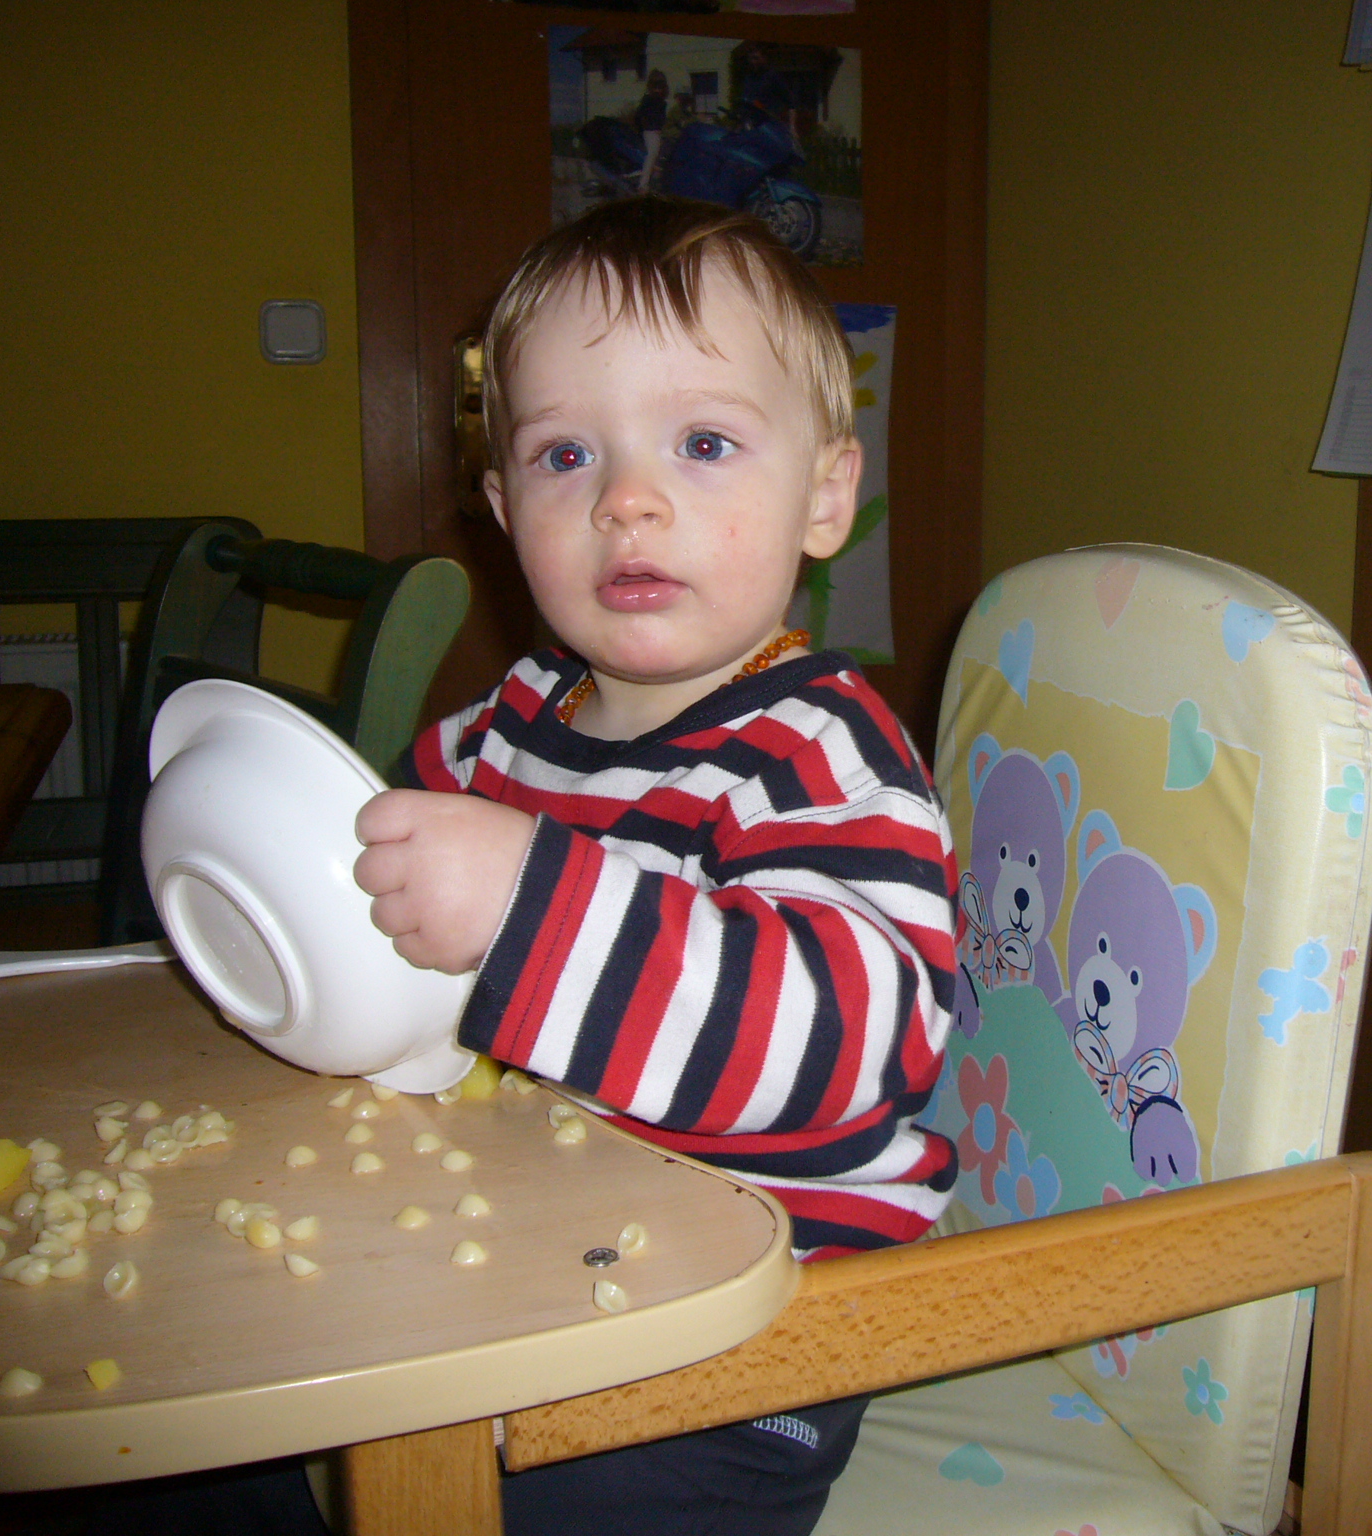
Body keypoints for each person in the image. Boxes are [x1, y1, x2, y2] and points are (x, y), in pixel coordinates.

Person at [350, 194, 960, 1535]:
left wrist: (523, 907)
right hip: (521, 1257)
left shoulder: (821, 758)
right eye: (565, 455)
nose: (625, 499)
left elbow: (846, 1047)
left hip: (753, 1337)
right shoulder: (504, 729)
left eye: (702, 443)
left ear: (825, 496)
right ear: (504, 508)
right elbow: (380, 905)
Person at [635, 69, 669, 192]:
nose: (657, 90)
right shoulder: (648, 100)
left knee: (662, 157)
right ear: (651, 87)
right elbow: (639, 116)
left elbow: (663, 120)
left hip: (658, 132)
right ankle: (643, 185)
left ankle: (655, 183)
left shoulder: (662, 103)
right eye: (655, 87)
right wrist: (646, 127)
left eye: (660, 87)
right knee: (652, 153)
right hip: (650, 131)